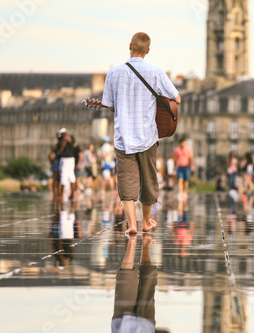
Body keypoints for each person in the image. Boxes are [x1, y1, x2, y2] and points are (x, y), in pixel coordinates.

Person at [102, 32, 180, 234]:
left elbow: (109, 106)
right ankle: (146, 222)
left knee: (126, 180)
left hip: (123, 138)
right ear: (148, 51)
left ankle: (132, 224)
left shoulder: (114, 73)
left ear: (130, 46)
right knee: (148, 180)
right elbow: (176, 98)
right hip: (147, 136)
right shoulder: (156, 72)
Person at [112, 233, 158, 333]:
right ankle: (139, 243)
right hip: (138, 327)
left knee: (132, 281)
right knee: (144, 280)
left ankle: (135, 243)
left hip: (129, 327)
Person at [57, 129, 76, 200]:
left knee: (66, 175)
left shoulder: (69, 138)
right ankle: (66, 193)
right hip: (68, 158)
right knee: (68, 175)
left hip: (67, 159)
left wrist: (65, 139)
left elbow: (71, 144)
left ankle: (64, 194)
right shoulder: (63, 139)